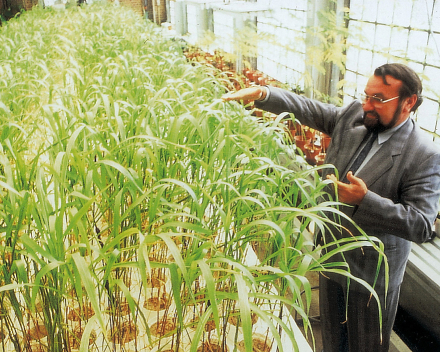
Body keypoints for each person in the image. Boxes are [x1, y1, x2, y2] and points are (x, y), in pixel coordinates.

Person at [222, 63, 440, 352]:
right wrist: (264, 93)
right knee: (333, 340)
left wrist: (366, 201)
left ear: (408, 102)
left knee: (365, 345)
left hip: (370, 277)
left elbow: (422, 225)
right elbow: (308, 108)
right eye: (366, 95)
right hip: (331, 256)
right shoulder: (355, 117)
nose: (367, 105)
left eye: (378, 99)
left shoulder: (424, 155)